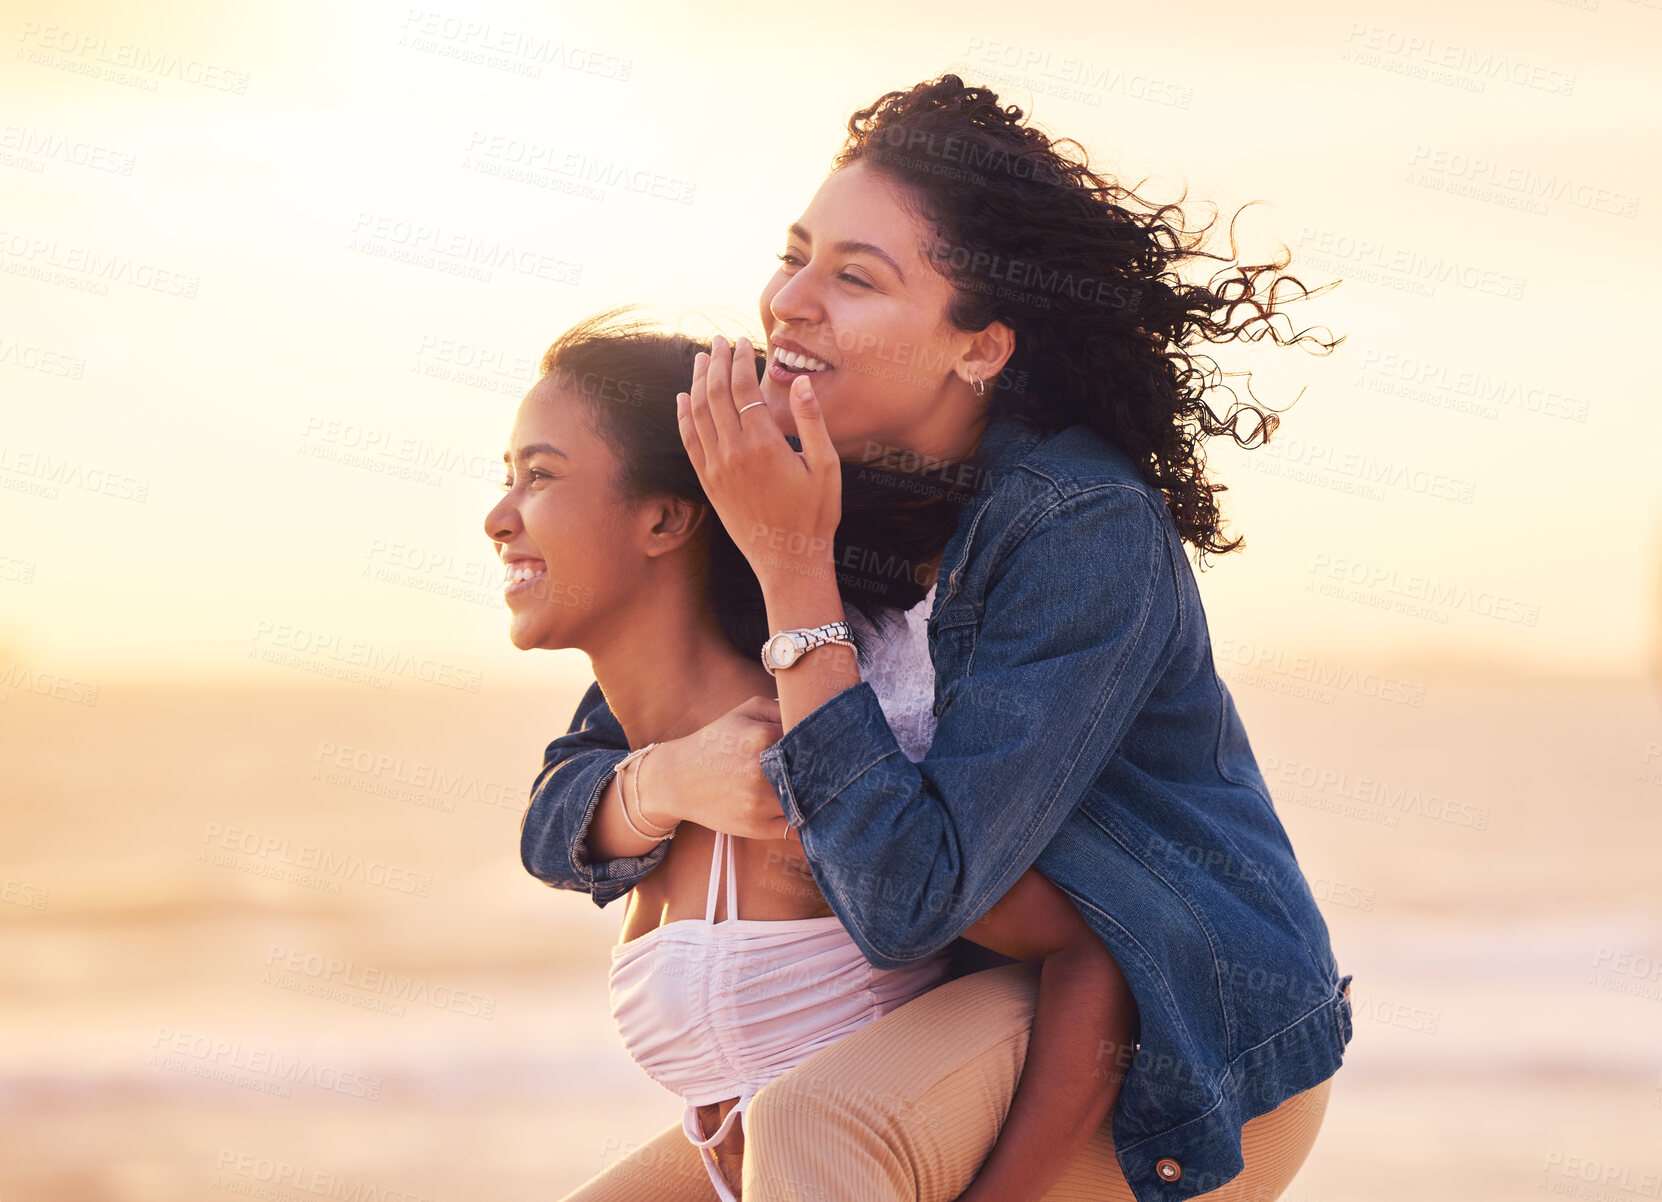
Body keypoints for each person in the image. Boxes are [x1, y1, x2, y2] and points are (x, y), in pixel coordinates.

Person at [522, 75, 1354, 1201]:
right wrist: (670, 779)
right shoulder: (801, 468)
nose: (790, 302)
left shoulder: (1078, 526)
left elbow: (915, 898)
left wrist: (791, 563)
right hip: (964, 1013)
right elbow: (572, 792)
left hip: (1176, 1034)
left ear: (979, 347)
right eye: (797, 252)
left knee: (815, 1124)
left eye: (855, 277)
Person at [487, 314, 1139, 1202]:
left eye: (539, 477)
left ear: (667, 517)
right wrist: (663, 782)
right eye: (508, 479)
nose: (498, 517)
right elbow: (547, 821)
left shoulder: (806, 763)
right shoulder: (654, 770)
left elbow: (1089, 959)